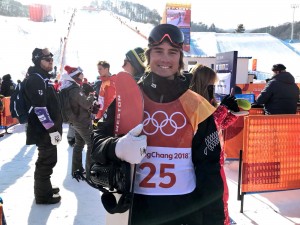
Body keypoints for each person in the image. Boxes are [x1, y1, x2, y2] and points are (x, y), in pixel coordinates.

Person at [91, 24, 227, 225]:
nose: (165, 58)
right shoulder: (129, 98)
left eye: (172, 52)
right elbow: (95, 144)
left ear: (180, 59)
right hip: (137, 210)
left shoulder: (197, 105)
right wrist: (117, 147)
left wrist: (214, 220)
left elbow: (210, 171)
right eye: (158, 51)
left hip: (184, 213)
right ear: (148, 56)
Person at [189, 64, 240, 225]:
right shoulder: (193, 103)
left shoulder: (208, 101)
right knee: (216, 201)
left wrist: (232, 114)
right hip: (203, 166)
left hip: (216, 162)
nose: (215, 88)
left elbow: (217, 126)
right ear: (204, 84)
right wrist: (224, 109)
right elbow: (205, 128)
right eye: (212, 84)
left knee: (222, 197)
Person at [26, 48, 63, 204]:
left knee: (48, 159)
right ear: (37, 60)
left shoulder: (42, 78)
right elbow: (40, 109)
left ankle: (44, 187)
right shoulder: (36, 80)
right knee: (46, 161)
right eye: (46, 59)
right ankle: (42, 195)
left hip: (46, 130)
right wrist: (51, 130)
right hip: (44, 131)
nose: (50, 61)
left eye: (51, 58)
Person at [60, 65, 95, 178]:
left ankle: (77, 170)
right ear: (75, 76)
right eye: (81, 74)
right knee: (91, 144)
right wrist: (91, 96)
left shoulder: (67, 87)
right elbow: (86, 103)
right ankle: (89, 173)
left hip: (75, 120)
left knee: (79, 144)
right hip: (81, 121)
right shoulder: (74, 89)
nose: (83, 76)